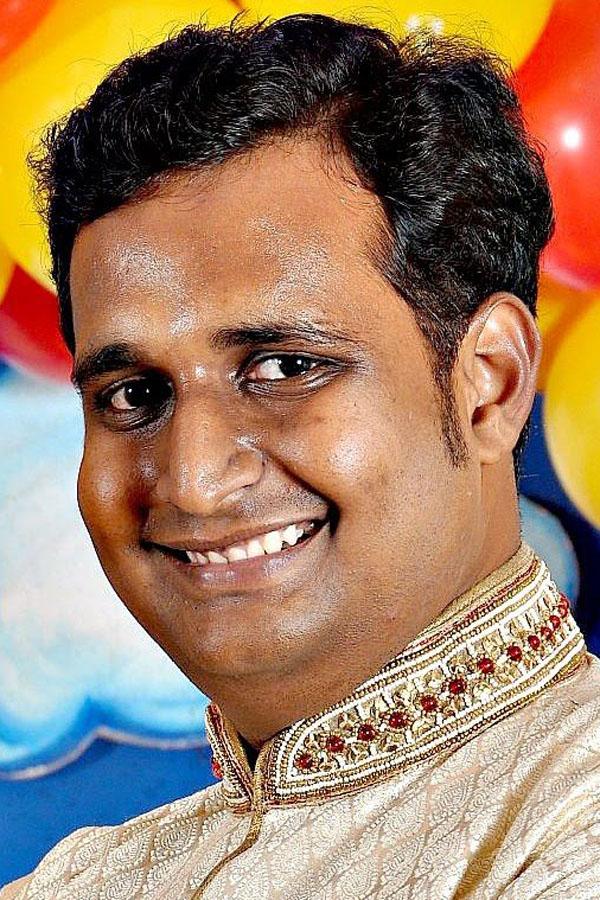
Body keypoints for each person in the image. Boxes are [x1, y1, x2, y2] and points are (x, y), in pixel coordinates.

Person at [2, 12, 599, 899]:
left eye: (285, 367)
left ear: (489, 383)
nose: (195, 481)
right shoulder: (81, 882)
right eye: (132, 394)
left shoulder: (572, 824)